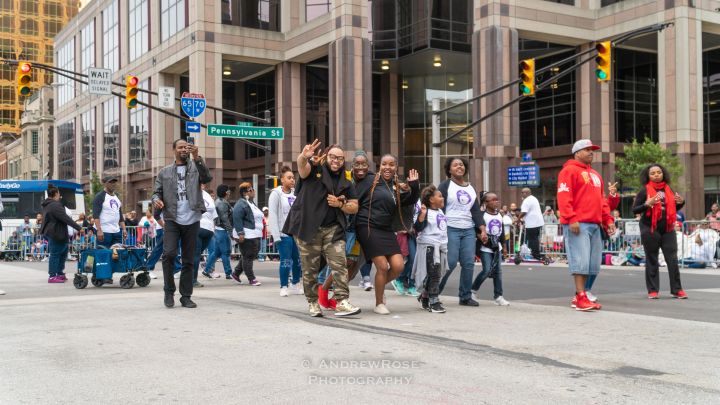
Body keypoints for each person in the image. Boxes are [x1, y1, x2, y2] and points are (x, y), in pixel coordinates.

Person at [282, 140, 361, 317]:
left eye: (340, 158)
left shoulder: (346, 182)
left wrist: (340, 204)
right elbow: (302, 168)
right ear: (326, 157)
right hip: (308, 228)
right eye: (333, 157)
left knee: (340, 265)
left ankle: (342, 301)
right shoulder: (314, 169)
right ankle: (312, 302)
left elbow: (354, 206)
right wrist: (304, 156)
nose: (336, 161)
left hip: (333, 229)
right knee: (310, 269)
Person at [355, 154, 420, 315]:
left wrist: (415, 186)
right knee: (382, 266)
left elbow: (409, 200)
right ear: (379, 166)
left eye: (391, 165)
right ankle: (379, 303)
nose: (387, 168)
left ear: (396, 167)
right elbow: (355, 196)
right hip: (367, 226)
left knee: (398, 266)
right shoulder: (370, 180)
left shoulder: (396, 186)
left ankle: (379, 286)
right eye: (384, 164)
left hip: (386, 229)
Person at [152, 138, 212, 309]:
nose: (184, 149)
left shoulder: (195, 166)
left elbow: (207, 177)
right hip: (172, 218)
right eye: (181, 147)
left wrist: (197, 156)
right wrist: (156, 200)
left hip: (192, 219)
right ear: (174, 150)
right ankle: (169, 291)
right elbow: (156, 193)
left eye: (186, 147)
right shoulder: (164, 172)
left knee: (189, 259)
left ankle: (186, 296)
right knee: (169, 254)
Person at [557, 139, 615, 311]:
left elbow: (602, 201)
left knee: (593, 264)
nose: (591, 152)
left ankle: (582, 295)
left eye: (592, 150)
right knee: (580, 261)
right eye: (587, 149)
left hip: (595, 224)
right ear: (577, 153)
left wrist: (608, 220)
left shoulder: (596, 175)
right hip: (578, 223)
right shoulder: (568, 171)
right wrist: (571, 218)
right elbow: (564, 196)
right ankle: (580, 296)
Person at [632, 164, 687, 299]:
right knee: (652, 259)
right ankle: (653, 290)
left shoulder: (668, 189)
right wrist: (647, 204)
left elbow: (675, 206)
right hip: (649, 228)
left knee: (672, 259)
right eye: (653, 173)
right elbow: (635, 209)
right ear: (648, 176)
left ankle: (677, 290)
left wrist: (681, 202)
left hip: (667, 228)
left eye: (659, 172)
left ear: (663, 174)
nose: (656, 174)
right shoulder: (644, 190)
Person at [437, 157, 486, 307]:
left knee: (468, 263)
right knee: (450, 263)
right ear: (449, 170)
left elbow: (476, 211)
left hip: (468, 230)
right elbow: (438, 206)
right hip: (450, 228)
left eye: (462, 164)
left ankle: (465, 296)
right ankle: (432, 293)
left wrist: (482, 229)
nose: (459, 166)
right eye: (455, 165)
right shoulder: (445, 185)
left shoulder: (470, 188)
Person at [412, 185, 448, 313]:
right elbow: (418, 227)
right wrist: (422, 215)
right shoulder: (425, 212)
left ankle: (425, 297)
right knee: (434, 274)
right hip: (429, 247)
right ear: (431, 200)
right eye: (439, 196)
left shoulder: (440, 211)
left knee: (435, 274)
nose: (442, 198)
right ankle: (434, 301)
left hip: (440, 247)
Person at [268, 166, 303, 297]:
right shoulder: (276, 194)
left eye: (293, 178)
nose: (292, 180)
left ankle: (295, 283)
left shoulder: (296, 193)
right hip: (283, 234)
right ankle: (283, 286)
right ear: (282, 180)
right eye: (289, 178)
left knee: (297, 260)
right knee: (285, 261)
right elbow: (272, 214)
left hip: (296, 234)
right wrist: (276, 236)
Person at [472, 192, 510, 306]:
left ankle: (498, 296)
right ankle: (473, 290)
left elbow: (502, 232)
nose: (496, 202)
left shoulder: (499, 215)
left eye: (497, 199)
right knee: (487, 270)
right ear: (486, 203)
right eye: (493, 199)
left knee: (498, 272)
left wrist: (504, 247)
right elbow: (476, 230)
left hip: (496, 247)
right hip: (485, 248)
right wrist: (481, 237)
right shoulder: (482, 215)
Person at [41, 186, 82, 283]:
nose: (60, 195)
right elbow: (65, 218)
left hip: (59, 233)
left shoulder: (49, 204)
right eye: (59, 193)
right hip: (56, 233)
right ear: (55, 194)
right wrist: (79, 228)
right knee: (55, 254)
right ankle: (52, 276)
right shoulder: (55, 205)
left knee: (63, 253)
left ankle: (59, 273)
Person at [231, 182, 263, 286]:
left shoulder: (251, 203)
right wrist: (240, 233)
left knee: (249, 255)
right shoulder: (241, 204)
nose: (253, 191)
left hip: (256, 233)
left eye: (252, 189)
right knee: (248, 256)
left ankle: (236, 273)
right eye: (251, 190)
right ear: (245, 193)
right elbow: (236, 218)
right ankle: (251, 278)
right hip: (248, 234)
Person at [203, 184, 234, 279]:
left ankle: (207, 270)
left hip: (218, 230)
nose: (229, 192)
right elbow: (225, 219)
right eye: (228, 190)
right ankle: (228, 273)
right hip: (222, 230)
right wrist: (231, 231)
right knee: (226, 252)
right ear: (226, 192)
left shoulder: (218, 202)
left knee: (216, 253)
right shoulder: (223, 203)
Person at [193, 183, 217, 288]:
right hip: (197, 226)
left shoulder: (207, 195)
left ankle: (190, 276)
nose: (202, 184)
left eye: (203, 183)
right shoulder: (192, 193)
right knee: (195, 254)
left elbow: (214, 214)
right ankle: (193, 280)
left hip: (209, 229)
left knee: (197, 255)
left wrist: (213, 228)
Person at [93, 176, 127, 248]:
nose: (113, 184)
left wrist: (124, 229)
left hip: (116, 232)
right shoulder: (99, 196)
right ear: (105, 184)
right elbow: (96, 216)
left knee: (117, 255)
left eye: (114, 182)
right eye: (110, 182)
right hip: (104, 231)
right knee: (103, 255)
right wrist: (99, 230)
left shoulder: (117, 197)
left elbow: (120, 215)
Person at [519, 188, 545, 261]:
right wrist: (523, 220)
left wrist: (517, 219)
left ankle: (536, 254)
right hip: (536, 222)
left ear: (526, 193)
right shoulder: (533, 198)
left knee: (532, 240)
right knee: (534, 239)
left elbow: (524, 212)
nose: (521, 194)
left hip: (532, 223)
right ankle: (535, 253)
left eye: (522, 192)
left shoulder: (527, 200)